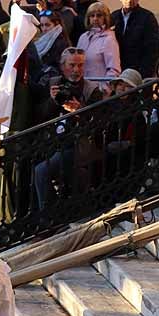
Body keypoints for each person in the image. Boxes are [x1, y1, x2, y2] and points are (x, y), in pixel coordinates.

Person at [32, 47, 103, 210]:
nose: (76, 70)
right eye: (72, 65)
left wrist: (80, 111)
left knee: (41, 171)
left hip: (76, 145)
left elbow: (98, 122)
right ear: (63, 66)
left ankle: (48, 217)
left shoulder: (91, 90)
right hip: (49, 142)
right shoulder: (52, 83)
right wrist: (51, 100)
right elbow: (38, 115)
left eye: (80, 65)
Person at [110, 0, 157, 78]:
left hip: (137, 71)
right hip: (117, 70)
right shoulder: (113, 17)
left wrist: (143, 73)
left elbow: (152, 49)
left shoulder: (147, 17)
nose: (130, 0)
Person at [75, 1, 118, 80]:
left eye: (99, 15)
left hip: (98, 88)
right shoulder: (83, 37)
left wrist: (104, 89)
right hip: (81, 87)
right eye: (92, 16)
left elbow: (114, 70)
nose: (95, 18)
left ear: (105, 18)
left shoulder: (109, 38)